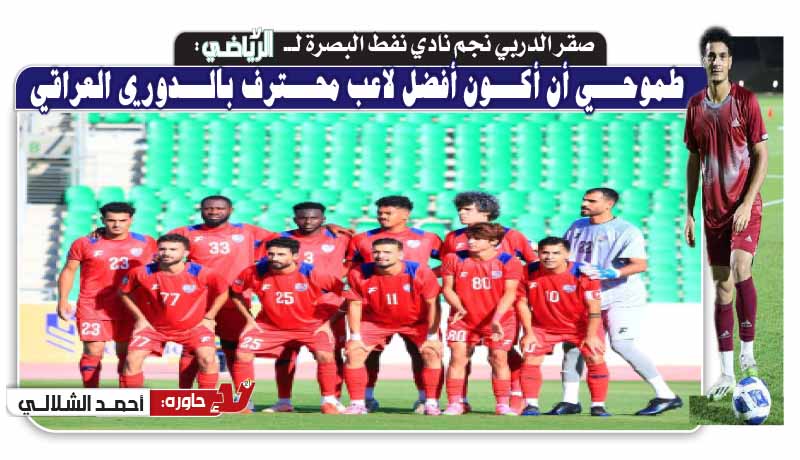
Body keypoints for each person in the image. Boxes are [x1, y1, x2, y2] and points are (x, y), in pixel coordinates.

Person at [684, 27, 769, 400]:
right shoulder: (695, 107)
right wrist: (689, 212)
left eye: (721, 55)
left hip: (743, 207)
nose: (716, 61)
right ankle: (727, 372)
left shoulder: (746, 101)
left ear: (730, 61)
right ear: (704, 61)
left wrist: (748, 202)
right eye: (710, 55)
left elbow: (761, 154)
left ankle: (748, 355)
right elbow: (693, 160)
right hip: (713, 211)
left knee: (739, 267)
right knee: (721, 286)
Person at [558, 188, 682, 415]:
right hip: (588, 296)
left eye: (591, 200)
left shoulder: (626, 230)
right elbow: (564, 254)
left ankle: (666, 395)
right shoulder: (577, 226)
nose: (584, 203)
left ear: (608, 204)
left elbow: (640, 264)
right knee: (573, 346)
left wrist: (612, 273)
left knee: (622, 344)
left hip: (621, 296)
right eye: (584, 199)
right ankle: (569, 401)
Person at [440, 191, 538, 413]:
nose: (461, 213)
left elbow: (533, 266)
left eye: (467, 209)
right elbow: (448, 272)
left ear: (486, 212)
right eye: (459, 209)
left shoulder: (512, 237)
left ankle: (513, 396)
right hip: (466, 310)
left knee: (502, 354)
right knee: (460, 356)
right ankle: (458, 401)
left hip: (503, 305)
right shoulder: (453, 240)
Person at [168, 195, 280, 389]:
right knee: (192, 349)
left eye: (219, 208)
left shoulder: (247, 231)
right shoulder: (185, 233)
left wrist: (325, 229)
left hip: (235, 301)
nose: (214, 212)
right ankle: (185, 395)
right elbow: (159, 252)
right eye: (209, 208)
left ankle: (243, 398)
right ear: (201, 210)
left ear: (230, 210)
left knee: (237, 350)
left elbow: (289, 240)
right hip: (198, 303)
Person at [346, 195, 443, 412]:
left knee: (424, 353)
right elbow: (352, 270)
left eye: (388, 213)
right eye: (380, 212)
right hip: (375, 310)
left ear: (405, 215)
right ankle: (364, 398)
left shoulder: (428, 238)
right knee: (365, 354)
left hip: (414, 311)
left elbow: (451, 263)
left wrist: (424, 278)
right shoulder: (361, 239)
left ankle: (427, 400)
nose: (382, 216)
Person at [229, 237, 346, 414]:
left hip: (311, 326)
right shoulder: (254, 271)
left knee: (325, 355)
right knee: (243, 353)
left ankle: (329, 401)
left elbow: (349, 294)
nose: (274, 258)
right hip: (269, 326)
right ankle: (244, 401)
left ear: (295, 256)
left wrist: (330, 323)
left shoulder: (312, 273)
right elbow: (235, 292)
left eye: (281, 254)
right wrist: (249, 319)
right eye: (271, 254)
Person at [57, 202, 157, 387]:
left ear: (131, 220)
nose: (117, 224)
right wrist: (63, 300)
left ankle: (127, 397)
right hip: (93, 305)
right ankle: (92, 395)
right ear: (103, 220)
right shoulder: (84, 243)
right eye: (111, 220)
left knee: (127, 354)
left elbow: (162, 268)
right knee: (93, 351)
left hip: (131, 306)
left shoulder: (147, 243)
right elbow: (69, 270)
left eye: (122, 220)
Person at [264, 202, 351, 413]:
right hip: (290, 303)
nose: (308, 221)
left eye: (313, 218)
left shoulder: (340, 238)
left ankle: (332, 400)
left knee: (332, 354)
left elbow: (359, 255)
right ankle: (283, 400)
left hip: (328, 305)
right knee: (286, 353)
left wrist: (340, 274)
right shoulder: (281, 239)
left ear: (323, 219)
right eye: (303, 218)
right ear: (295, 219)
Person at [118, 234, 228, 389]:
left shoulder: (202, 273)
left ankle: (206, 400)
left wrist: (209, 317)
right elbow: (123, 292)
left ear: (186, 253)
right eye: (162, 249)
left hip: (194, 327)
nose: (166, 253)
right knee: (132, 360)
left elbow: (223, 291)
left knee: (208, 359)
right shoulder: (141, 272)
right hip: (153, 329)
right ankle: (133, 400)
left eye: (173, 249)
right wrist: (140, 318)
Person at [516, 237, 610, 417]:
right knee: (530, 358)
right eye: (545, 252)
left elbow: (594, 308)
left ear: (567, 254)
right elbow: (522, 303)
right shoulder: (527, 271)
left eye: (555, 253)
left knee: (595, 357)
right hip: (543, 327)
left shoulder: (584, 273)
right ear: (538, 253)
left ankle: (598, 405)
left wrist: (591, 336)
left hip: (581, 327)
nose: (549, 257)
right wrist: (528, 332)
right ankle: (531, 405)